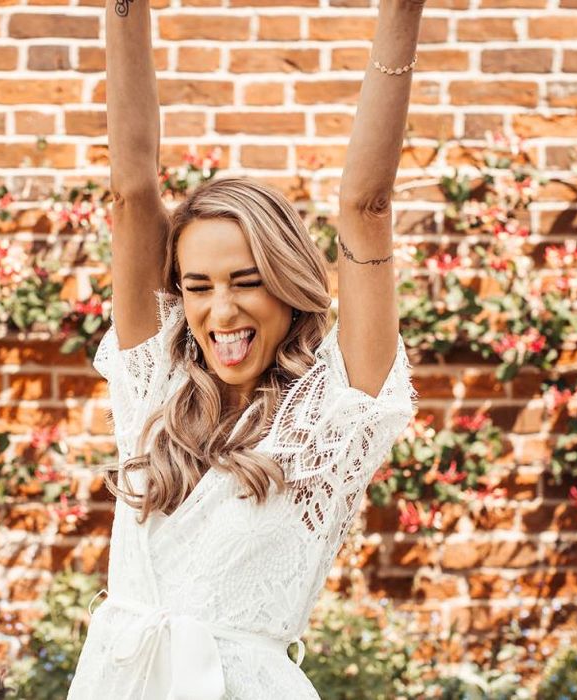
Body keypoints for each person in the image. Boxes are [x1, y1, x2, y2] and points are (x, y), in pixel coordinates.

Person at [67, 0, 424, 697]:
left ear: (290, 285)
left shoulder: (331, 417)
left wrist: (401, 12)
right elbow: (133, 190)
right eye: (197, 286)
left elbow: (367, 205)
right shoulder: (155, 386)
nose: (219, 310)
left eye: (246, 282)